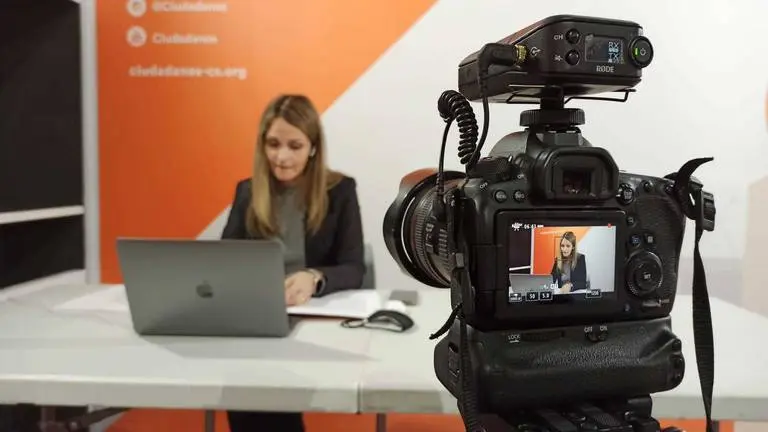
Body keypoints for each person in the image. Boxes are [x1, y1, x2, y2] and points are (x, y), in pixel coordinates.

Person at [221, 94, 365, 432]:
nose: (282, 157)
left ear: (313, 147)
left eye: (294, 146)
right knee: (251, 395)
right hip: (258, 321)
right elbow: (224, 261)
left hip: (313, 322)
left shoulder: (340, 190)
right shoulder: (247, 191)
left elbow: (353, 267)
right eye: (273, 144)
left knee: (266, 399)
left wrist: (313, 277)